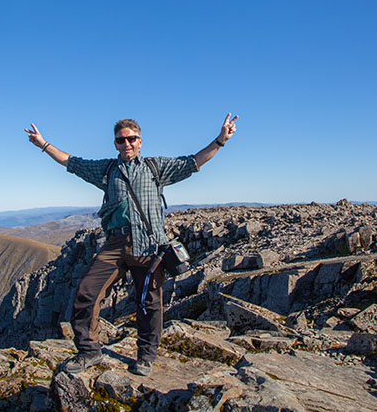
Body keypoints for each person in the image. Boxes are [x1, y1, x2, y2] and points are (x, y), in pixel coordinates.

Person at [24, 114, 238, 376]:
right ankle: (89, 351)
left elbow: (193, 162)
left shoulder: (155, 168)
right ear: (115, 144)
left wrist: (221, 140)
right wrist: (44, 145)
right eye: (121, 140)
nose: (126, 143)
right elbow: (71, 162)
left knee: (148, 301)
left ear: (140, 141)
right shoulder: (106, 170)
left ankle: (146, 356)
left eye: (131, 139)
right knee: (86, 292)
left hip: (149, 246)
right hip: (116, 243)